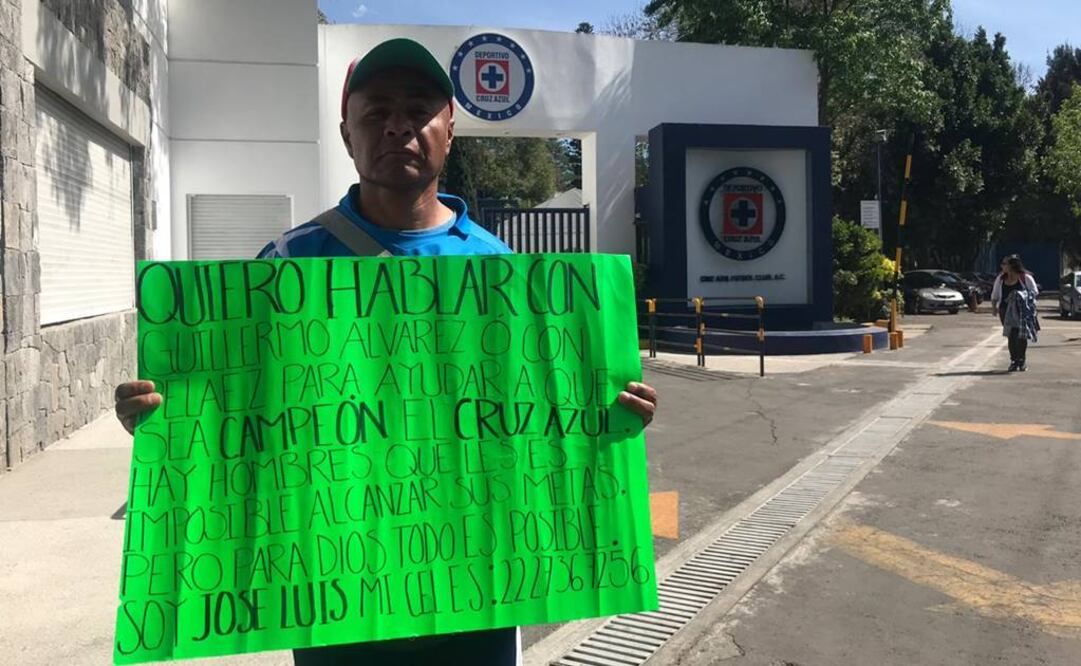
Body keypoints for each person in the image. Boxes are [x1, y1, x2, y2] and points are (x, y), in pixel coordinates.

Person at [113, 38, 659, 665]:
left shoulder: (507, 276)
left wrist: (611, 416)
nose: (398, 124)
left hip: (475, 606)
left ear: (449, 130)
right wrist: (163, 421)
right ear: (348, 135)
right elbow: (237, 419)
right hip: (337, 608)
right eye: (376, 113)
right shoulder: (285, 267)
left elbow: (540, 431)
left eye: (419, 108)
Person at [990, 255, 1039, 371]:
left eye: (1004, 264)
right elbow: (995, 295)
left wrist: (1022, 297)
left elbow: (1034, 293)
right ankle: (1014, 360)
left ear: (1011, 265)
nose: (1002, 266)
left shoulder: (1025, 278)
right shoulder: (1001, 279)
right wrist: (994, 308)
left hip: (1022, 311)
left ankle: (1022, 360)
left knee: (1021, 336)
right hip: (1005, 311)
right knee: (1011, 335)